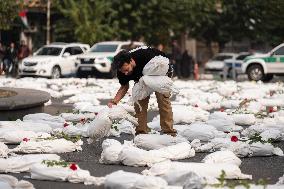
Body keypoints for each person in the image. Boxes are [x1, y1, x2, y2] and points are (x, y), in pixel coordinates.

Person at [108, 47, 176, 136]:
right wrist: (114, 102)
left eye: (126, 70)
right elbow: (124, 87)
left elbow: (164, 66)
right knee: (139, 101)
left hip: (160, 73)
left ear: (131, 61)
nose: (125, 73)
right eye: (122, 71)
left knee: (163, 99)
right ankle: (141, 132)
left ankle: (169, 132)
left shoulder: (147, 56)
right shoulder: (121, 71)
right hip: (141, 77)